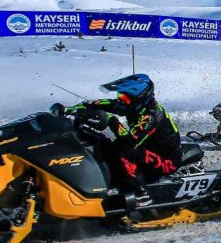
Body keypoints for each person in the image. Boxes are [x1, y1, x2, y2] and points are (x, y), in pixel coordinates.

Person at [68, 74, 182, 203]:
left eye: (125, 98)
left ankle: (141, 194)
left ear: (140, 96)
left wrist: (112, 120)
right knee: (105, 145)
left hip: (167, 160)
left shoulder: (150, 116)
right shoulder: (134, 106)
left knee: (124, 150)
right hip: (147, 149)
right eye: (120, 96)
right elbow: (105, 104)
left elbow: (129, 139)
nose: (121, 100)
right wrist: (74, 108)